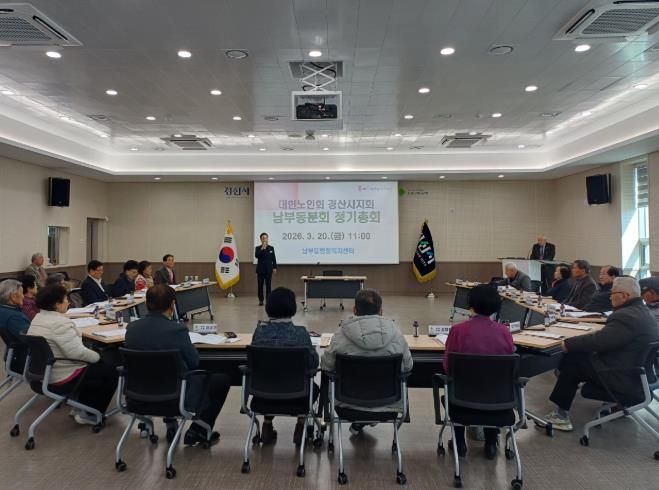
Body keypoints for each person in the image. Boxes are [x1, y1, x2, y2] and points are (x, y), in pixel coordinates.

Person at [544, 277, 659, 431]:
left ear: (625, 296)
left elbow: (600, 342)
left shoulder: (625, 316)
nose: (610, 297)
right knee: (581, 355)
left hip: (623, 377)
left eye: (613, 293)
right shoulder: (644, 313)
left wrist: (568, 343)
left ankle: (560, 416)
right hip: (639, 375)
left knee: (573, 359)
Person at [125, 284, 231, 446]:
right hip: (174, 399)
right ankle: (199, 430)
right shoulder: (177, 330)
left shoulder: (132, 329)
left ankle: (178, 424)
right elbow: (194, 363)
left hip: (137, 398)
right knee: (221, 380)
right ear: (172, 305)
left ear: (146, 304)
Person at [321, 289, 412, 435]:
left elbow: (326, 366)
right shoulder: (397, 334)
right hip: (389, 404)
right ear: (381, 311)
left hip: (347, 404)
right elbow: (408, 366)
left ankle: (358, 421)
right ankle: (366, 421)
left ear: (354, 310)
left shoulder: (341, 335)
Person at [27, 285, 119, 425]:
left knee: (98, 367)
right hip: (61, 376)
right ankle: (89, 414)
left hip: (43, 373)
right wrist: (98, 356)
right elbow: (78, 353)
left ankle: (81, 406)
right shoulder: (59, 324)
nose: (68, 302)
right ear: (57, 304)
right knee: (110, 371)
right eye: (65, 299)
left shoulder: (38, 318)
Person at [443, 284, 515, 459]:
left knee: (450, 393)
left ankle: (459, 442)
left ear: (471, 304)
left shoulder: (458, 331)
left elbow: (447, 367)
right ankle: (491, 443)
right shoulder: (504, 332)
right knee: (491, 387)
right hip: (498, 399)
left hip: (462, 398)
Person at [251, 287, 319, 445]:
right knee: (313, 388)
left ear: (268, 308)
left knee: (270, 376)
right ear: (293, 308)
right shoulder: (301, 333)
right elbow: (312, 364)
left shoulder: (259, 332)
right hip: (298, 396)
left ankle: (267, 424)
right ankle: (301, 425)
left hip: (263, 395)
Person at [255, 233, 277, 306]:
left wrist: (274, 267)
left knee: (268, 286)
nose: (265, 239)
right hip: (260, 270)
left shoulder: (271, 248)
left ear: (267, 239)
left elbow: (273, 258)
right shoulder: (258, 248)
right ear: (261, 239)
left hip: (268, 270)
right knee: (260, 286)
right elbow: (257, 255)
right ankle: (261, 300)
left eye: (266, 238)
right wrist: (262, 249)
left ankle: (268, 300)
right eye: (263, 238)